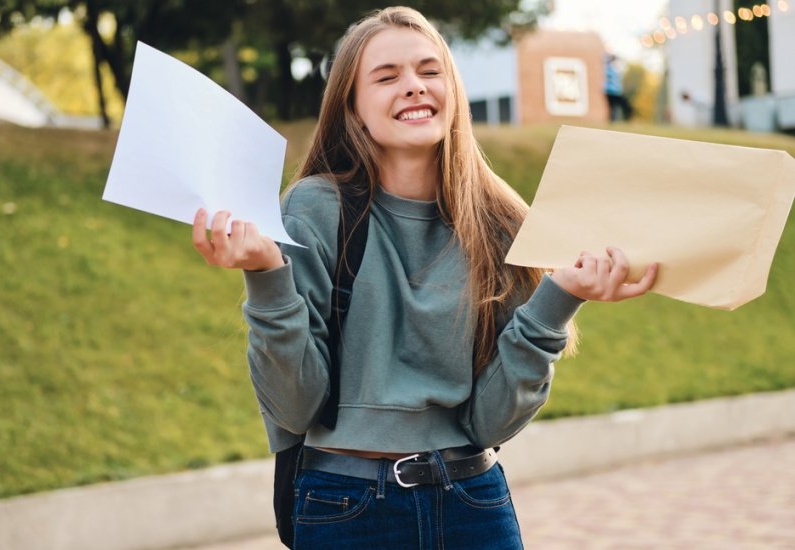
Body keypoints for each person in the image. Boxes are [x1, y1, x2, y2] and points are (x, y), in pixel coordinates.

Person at [193, 6, 658, 549]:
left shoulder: (502, 222)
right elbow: (295, 406)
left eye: (429, 71)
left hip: (473, 502)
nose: (413, 87)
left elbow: (492, 423)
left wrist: (560, 298)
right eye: (387, 77)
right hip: (345, 506)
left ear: (452, 90)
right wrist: (266, 274)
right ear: (353, 107)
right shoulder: (314, 209)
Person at [604, 53, 633, 121]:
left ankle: (618, 119)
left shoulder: (615, 69)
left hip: (616, 92)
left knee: (615, 107)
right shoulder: (609, 68)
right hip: (612, 92)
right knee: (613, 107)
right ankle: (614, 120)